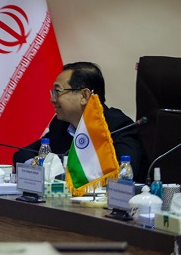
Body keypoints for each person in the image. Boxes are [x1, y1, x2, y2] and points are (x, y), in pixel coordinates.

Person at [12, 62, 143, 174]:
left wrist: (58, 169)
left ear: (84, 96)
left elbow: (123, 170)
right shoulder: (60, 125)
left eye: (57, 92)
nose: (52, 99)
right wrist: (36, 164)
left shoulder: (118, 126)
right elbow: (22, 154)